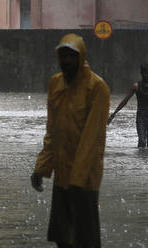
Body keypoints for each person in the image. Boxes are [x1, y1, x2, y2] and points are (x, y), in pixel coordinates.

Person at [30, 33, 110, 248]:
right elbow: (53, 131)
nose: (66, 61)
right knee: (61, 236)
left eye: (70, 56)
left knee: (86, 239)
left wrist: (77, 181)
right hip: (62, 175)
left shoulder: (97, 87)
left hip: (85, 179)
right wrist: (41, 167)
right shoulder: (56, 83)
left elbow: (91, 140)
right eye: (62, 56)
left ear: (81, 57)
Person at [107, 64, 148, 148]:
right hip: (141, 116)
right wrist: (113, 114)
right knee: (142, 140)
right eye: (146, 73)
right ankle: (140, 159)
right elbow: (125, 101)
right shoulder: (136, 86)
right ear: (141, 73)